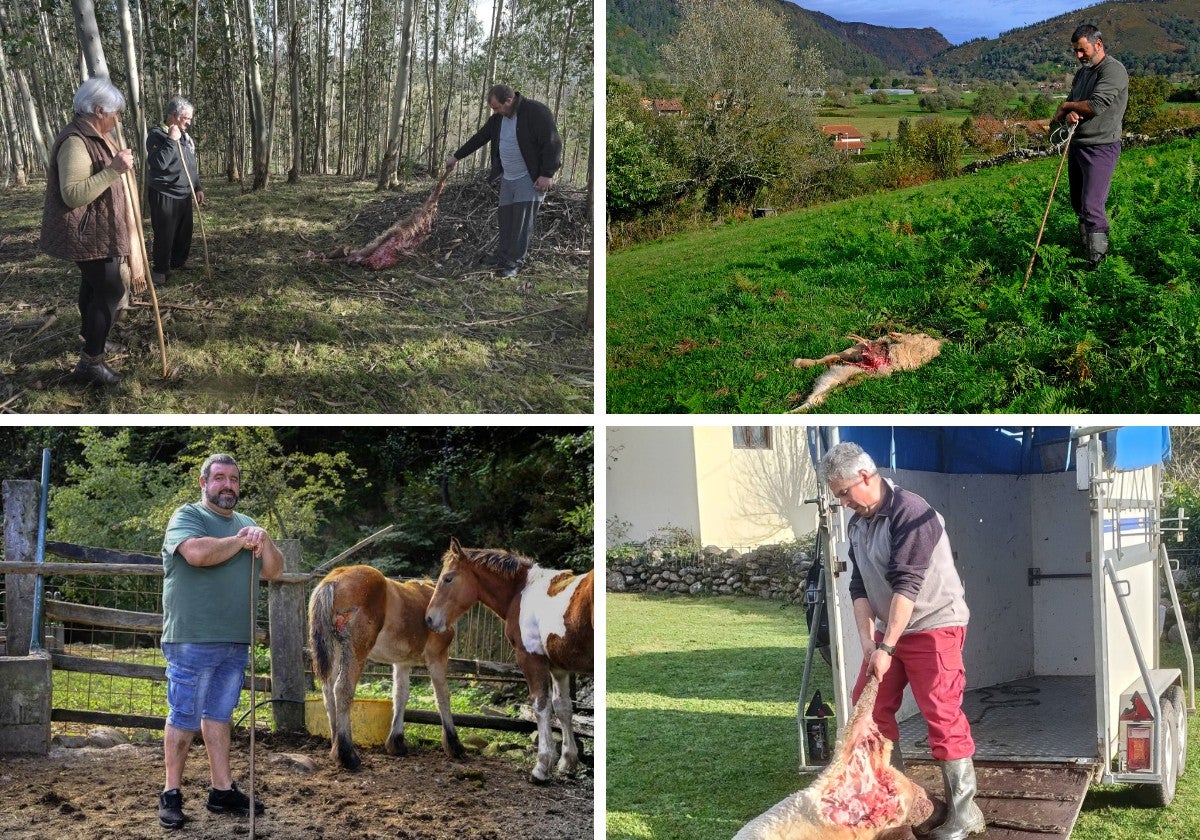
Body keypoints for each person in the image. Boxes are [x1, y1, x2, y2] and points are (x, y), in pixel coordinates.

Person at [819, 442, 984, 840]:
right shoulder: (859, 524)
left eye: (843, 492)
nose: (841, 503)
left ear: (865, 476)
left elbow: (906, 586)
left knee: (941, 715)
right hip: (892, 633)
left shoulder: (912, 512)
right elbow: (858, 586)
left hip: (934, 626)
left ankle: (966, 814)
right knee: (870, 713)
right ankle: (897, 804)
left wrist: (887, 646)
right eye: (836, 496)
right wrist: (868, 643)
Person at [157, 453, 284, 829]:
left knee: (219, 716)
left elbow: (276, 570)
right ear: (204, 483)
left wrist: (265, 539)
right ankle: (171, 793)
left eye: (234, 480)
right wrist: (240, 541)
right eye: (220, 479)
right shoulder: (187, 516)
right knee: (183, 717)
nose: (227, 485)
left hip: (234, 640)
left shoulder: (248, 525)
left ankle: (221, 790)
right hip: (192, 637)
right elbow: (196, 554)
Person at [40, 77, 146, 385]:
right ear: (99, 110)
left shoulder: (92, 135)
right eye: (116, 113)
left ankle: (92, 338)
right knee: (111, 289)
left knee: (95, 286)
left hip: (99, 231)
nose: (118, 119)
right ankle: (91, 362)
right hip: (85, 233)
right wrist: (114, 169)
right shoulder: (75, 142)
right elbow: (72, 194)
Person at [445, 84, 562, 278]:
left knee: (521, 223)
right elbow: (480, 138)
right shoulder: (498, 119)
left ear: (509, 101)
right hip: (508, 177)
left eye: (496, 107)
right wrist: (456, 156)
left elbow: (553, 143)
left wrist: (547, 174)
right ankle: (502, 256)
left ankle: (514, 262)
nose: (495, 112)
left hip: (530, 177)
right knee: (506, 219)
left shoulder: (536, 112)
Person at [1053, 24, 1128, 268]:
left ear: (1098, 44)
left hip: (1101, 147)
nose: (1079, 56)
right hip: (1077, 146)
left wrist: (1066, 108)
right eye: (1076, 51)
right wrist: (1068, 114)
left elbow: (1095, 106)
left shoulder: (1113, 71)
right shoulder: (1083, 73)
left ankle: (1097, 265)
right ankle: (1086, 249)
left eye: (1082, 50)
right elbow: (1073, 101)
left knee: (1092, 205)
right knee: (1078, 202)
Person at [146, 96, 204, 285]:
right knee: (164, 233)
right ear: (173, 115)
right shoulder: (156, 134)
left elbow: (191, 164)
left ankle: (178, 262)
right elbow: (159, 163)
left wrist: (197, 187)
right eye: (186, 118)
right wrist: (171, 140)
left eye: (190, 118)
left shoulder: (186, 137)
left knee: (184, 232)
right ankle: (160, 270)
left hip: (184, 192)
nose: (189, 122)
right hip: (164, 192)